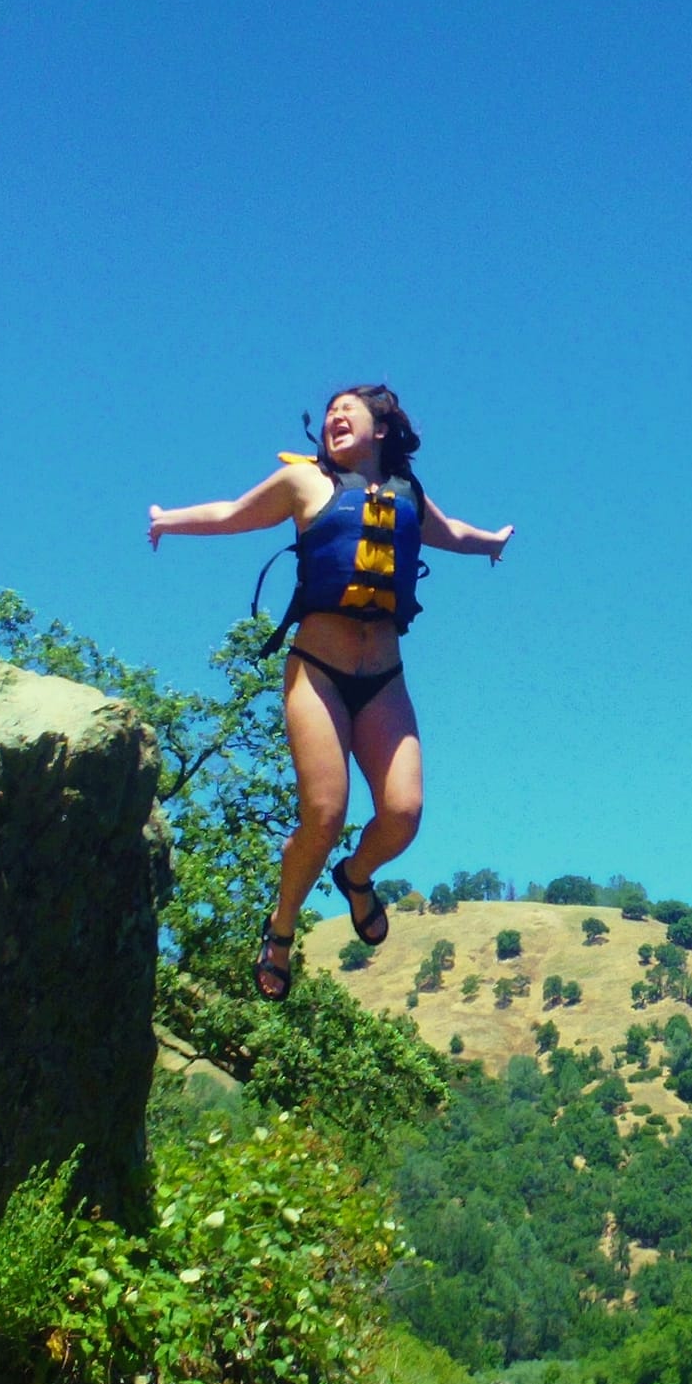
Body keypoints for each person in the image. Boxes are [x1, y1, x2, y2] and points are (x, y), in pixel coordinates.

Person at [145, 384, 513, 1000]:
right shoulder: (305, 485)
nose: (335, 418)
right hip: (317, 668)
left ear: (383, 429)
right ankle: (282, 927)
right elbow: (232, 514)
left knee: (403, 814)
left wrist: (493, 543)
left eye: (350, 411)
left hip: (384, 678)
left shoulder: (408, 496)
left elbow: (450, 533)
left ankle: (357, 875)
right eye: (331, 414)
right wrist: (167, 521)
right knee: (323, 814)